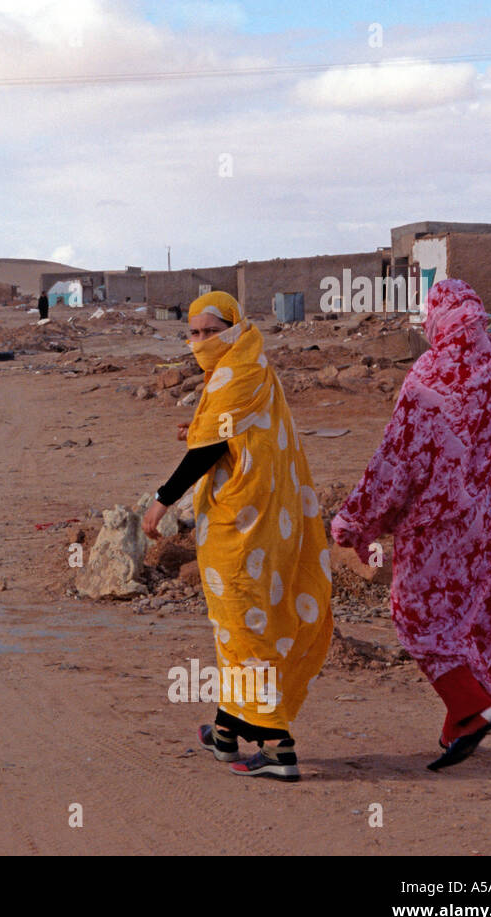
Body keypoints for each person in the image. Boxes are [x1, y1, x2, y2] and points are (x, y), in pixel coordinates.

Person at [331, 279, 491, 771]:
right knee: (469, 618)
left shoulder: (429, 374)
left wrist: (355, 522)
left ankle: (474, 707)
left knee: (416, 613)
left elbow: (397, 461)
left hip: (442, 522)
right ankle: (460, 726)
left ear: (436, 319)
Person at [141, 291, 333, 781]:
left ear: (233, 326)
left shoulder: (237, 374)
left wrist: (163, 499)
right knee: (233, 624)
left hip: (241, 528)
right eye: (195, 333)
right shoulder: (251, 365)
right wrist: (200, 433)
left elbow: (206, 452)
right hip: (259, 520)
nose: (202, 342)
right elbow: (235, 437)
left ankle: (277, 744)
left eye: (211, 331)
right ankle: (227, 730)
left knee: (247, 628)